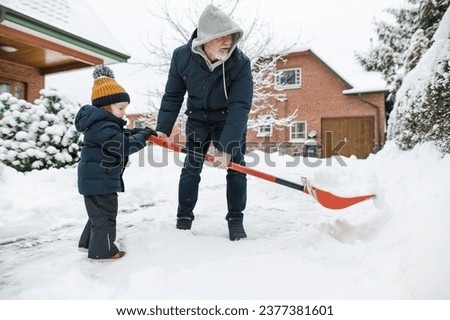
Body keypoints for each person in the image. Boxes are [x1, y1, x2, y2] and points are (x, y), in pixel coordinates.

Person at [156, 4, 253, 241]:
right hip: (198, 118)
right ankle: (184, 217)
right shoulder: (182, 57)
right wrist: (162, 128)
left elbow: (240, 107)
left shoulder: (240, 63)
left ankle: (235, 219)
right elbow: (173, 95)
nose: (228, 42)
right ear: (206, 39)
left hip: (228, 120)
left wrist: (226, 148)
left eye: (230, 37)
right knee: (191, 167)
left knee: (236, 168)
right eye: (221, 37)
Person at [75, 65, 156, 261]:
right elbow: (123, 146)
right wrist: (143, 137)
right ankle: (103, 251)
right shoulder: (103, 126)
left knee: (97, 215)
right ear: (106, 108)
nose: (123, 113)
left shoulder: (101, 125)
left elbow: (121, 135)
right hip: (101, 181)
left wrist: (139, 132)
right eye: (120, 109)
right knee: (106, 216)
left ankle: (87, 244)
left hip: (96, 180)